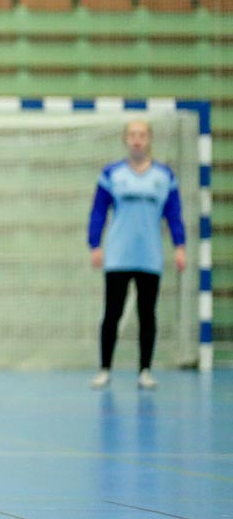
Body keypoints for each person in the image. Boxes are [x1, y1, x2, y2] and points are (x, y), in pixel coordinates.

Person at [87, 121, 186, 391]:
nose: (137, 140)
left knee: (147, 314)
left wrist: (180, 246)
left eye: (142, 135)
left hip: (149, 257)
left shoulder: (164, 176)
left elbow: (174, 214)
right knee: (112, 313)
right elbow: (98, 211)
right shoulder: (112, 174)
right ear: (126, 140)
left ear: (150, 139)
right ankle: (104, 369)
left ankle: (145, 370)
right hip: (119, 256)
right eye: (132, 135)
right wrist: (95, 244)